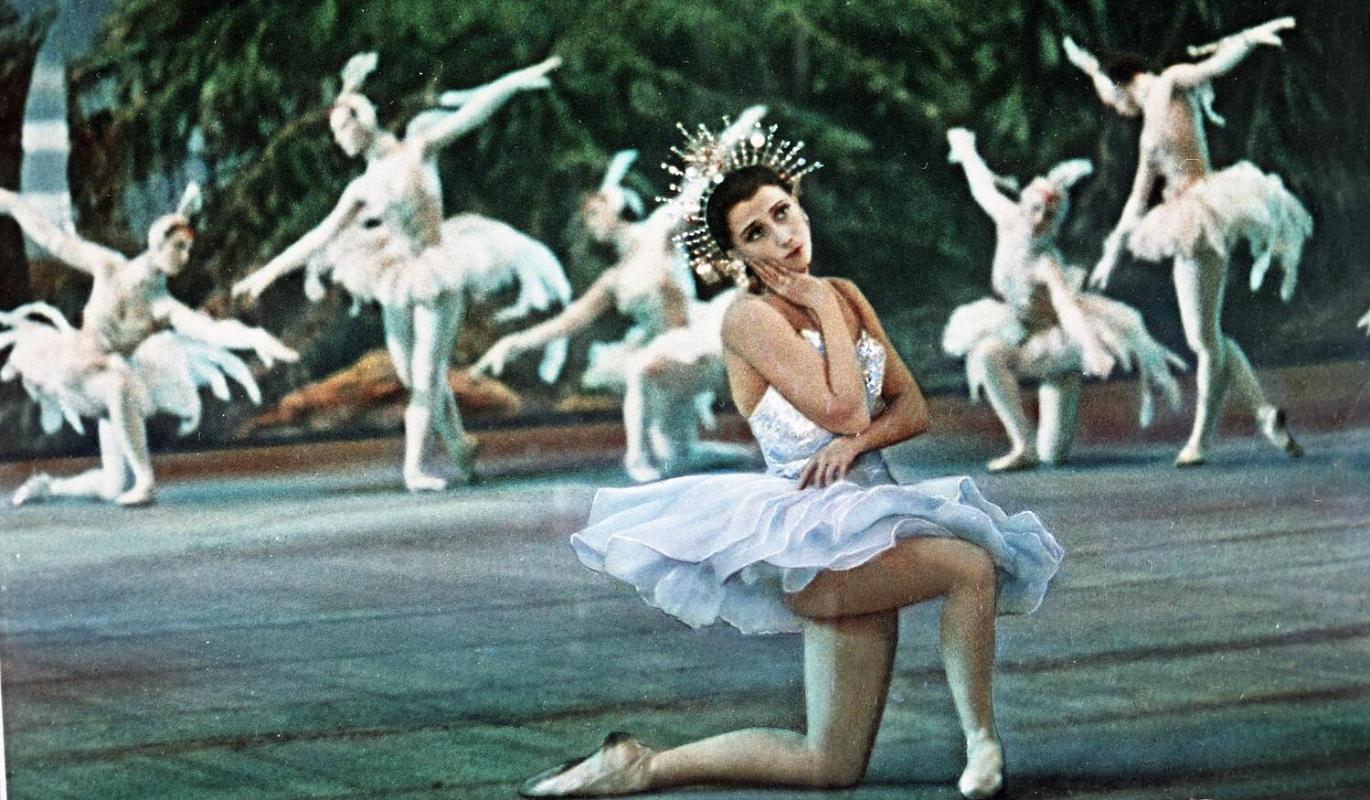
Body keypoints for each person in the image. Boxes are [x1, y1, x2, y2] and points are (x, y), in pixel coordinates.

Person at [518, 121, 1063, 800]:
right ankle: (982, 743)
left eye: (782, 213)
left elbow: (911, 409)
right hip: (817, 543)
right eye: (756, 233)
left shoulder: (846, 294)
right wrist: (825, 314)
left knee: (828, 764)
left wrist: (856, 444)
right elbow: (846, 409)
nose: (781, 236)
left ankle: (639, 765)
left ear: (799, 204)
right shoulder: (749, 319)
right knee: (970, 566)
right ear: (736, 255)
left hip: (872, 522)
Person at [232, 53, 568, 491]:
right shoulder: (361, 186)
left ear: (364, 122)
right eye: (334, 133)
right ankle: (459, 444)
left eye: (342, 129)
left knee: (426, 376)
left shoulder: (417, 150)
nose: (339, 140)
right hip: (394, 270)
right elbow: (319, 237)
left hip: (438, 266)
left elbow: (469, 115)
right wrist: (267, 274)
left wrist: (513, 80)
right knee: (411, 375)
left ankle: (414, 468)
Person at [1064, 17, 1312, 466]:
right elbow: (1136, 202)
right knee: (1208, 335)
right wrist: (1111, 255)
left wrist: (1248, 40)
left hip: (1202, 214)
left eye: (1109, 99)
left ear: (1120, 85)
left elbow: (1213, 67)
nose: (1114, 109)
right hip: (1185, 218)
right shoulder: (1147, 136)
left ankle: (1200, 440)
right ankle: (1263, 413)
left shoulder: (1169, 83)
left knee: (1203, 339)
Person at [471, 139, 759, 482]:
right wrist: (514, 342)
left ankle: (636, 458)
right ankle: (743, 457)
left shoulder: (658, 234)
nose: (589, 222)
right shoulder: (614, 279)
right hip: (664, 361)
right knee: (676, 456)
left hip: (696, 344)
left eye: (595, 212)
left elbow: (691, 194)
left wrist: (727, 143)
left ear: (618, 206)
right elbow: (569, 321)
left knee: (639, 368)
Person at [0, 185, 297, 506]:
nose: (184, 257)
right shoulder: (107, 266)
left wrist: (254, 337)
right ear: (157, 244)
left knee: (112, 485)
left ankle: (49, 487)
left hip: (105, 386)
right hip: (74, 375)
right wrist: (12, 203)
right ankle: (145, 480)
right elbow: (53, 240)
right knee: (117, 384)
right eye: (178, 247)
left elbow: (211, 331)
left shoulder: (162, 306)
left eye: (187, 250)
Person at [943, 128, 1184, 471]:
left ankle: (1063, 378)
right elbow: (982, 187)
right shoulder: (1007, 219)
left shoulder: (1046, 263)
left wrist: (1092, 349)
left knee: (1054, 456)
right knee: (985, 355)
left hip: (1058, 342)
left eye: (1049, 216)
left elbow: (1067, 308)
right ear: (1024, 205)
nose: (1039, 220)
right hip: (1018, 329)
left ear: (1056, 222)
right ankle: (1022, 445)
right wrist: (967, 151)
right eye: (1035, 209)